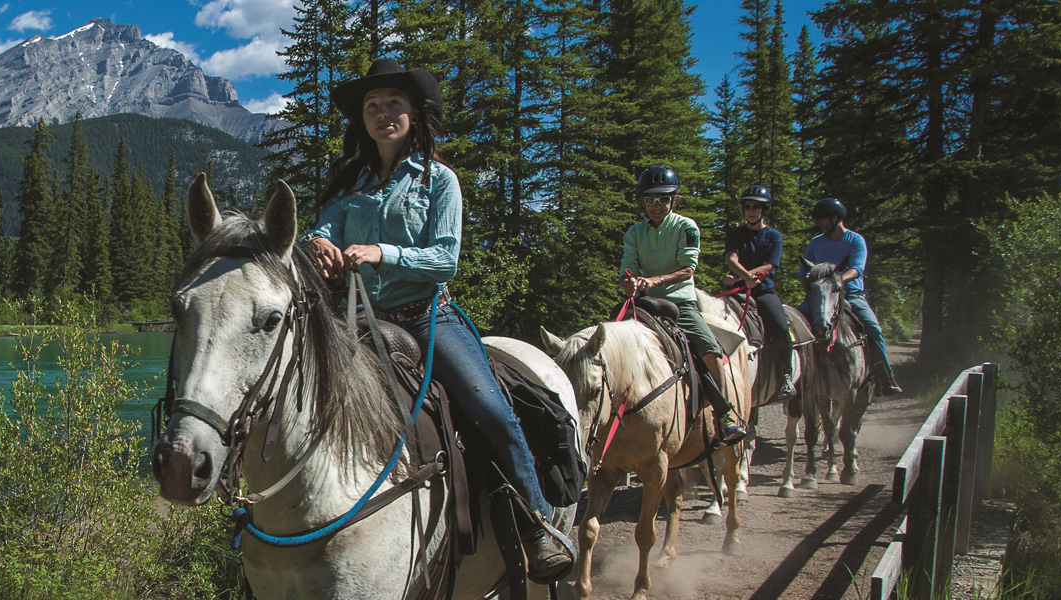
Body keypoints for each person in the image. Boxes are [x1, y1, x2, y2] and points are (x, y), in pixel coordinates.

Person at [302, 58, 572, 580]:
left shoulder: (438, 180)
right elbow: (324, 229)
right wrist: (319, 246)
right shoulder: (351, 183)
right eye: (372, 106)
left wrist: (382, 251)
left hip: (428, 319)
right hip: (362, 321)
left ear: (413, 114)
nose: (383, 114)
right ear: (362, 119)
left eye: (393, 104)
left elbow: (445, 258)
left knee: (491, 409)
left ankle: (538, 523)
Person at [620, 165, 749, 445]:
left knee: (710, 350)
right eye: (650, 200)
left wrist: (653, 281)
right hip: (643, 304)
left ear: (673, 200)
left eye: (663, 199)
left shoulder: (686, 227)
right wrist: (629, 283)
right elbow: (628, 268)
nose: (656, 206)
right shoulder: (633, 233)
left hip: (680, 303)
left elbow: (688, 269)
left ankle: (724, 414)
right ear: (642, 201)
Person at [799, 198, 903, 395]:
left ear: (836, 218)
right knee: (793, 324)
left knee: (873, 328)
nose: (819, 223)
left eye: (822, 219)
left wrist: (835, 281)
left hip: (852, 296)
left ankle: (884, 376)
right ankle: (791, 376)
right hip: (821, 297)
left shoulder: (855, 240)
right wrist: (813, 289)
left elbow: (856, 269)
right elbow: (803, 272)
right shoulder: (816, 243)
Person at [722, 185, 798, 400]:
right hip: (736, 292)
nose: (751, 211)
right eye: (747, 207)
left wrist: (740, 276)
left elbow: (769, 266)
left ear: (764, 210)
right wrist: (743, 278)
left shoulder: (774, 236)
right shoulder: (735, 234)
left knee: (780, 326)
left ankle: (785, 376)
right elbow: (731, 259)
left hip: (763, 292)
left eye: (756, 207)